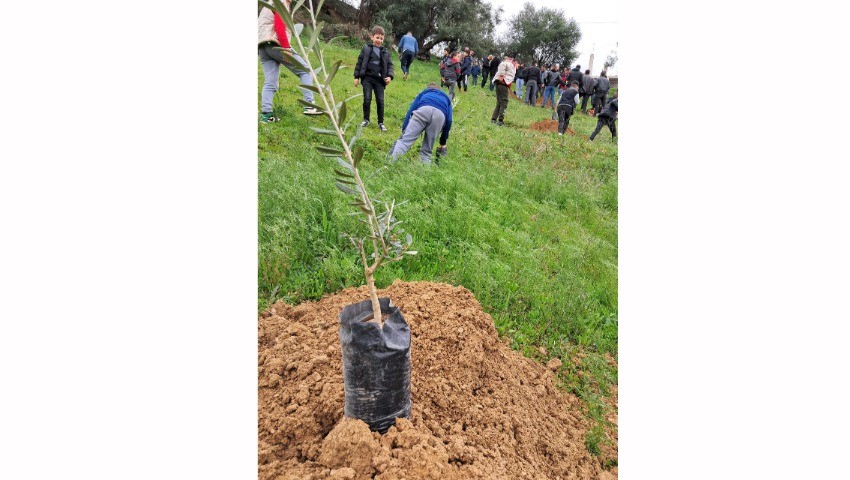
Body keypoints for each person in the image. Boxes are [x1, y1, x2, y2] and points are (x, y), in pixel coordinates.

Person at [257, 1, 322, 123]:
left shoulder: (268, 4)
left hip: (262, 47)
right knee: (305, 71)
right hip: (275, 43)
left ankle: (266, 115)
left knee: (270, 81)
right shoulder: (280, 2)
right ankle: (309, 104)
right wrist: (286, 47)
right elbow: (279, 24)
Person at [388, 82, 453, 165]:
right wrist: (443, 141)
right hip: (439, 116)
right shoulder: (446, 98)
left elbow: (411, 110)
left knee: (404, 142)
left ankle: (389, 165)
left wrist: (405, 129)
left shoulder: (424, 93)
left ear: (428, 89)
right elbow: (449, 120)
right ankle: (423, 174)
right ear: (439, 90)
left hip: (423, 110)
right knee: (427, 151)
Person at [354, 26, 394, 131]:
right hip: (367, 78)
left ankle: (381, 122)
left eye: (381, 38)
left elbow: (390, 65)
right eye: (377, 38)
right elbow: (359, 62)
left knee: (380, 101)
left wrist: (389, 76)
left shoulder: (385, 52)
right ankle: (366, 119)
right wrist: (356, 76)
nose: (379, 40)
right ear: (372, 37)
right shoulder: (366, 49)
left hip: (380, 81)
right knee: (367, 99)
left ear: (383, 39)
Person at [490, 55, 516, 126]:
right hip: (503, 84)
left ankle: (493, 119)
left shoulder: (511, 66)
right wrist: (501, 76)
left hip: (500, 84)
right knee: (504, 102)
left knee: (499, 102)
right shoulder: (509, 63)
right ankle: (500, 121)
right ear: (514, 61)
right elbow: (502, 64)